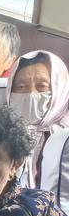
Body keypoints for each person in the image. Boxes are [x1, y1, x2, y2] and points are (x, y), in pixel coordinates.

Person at [7, 50, 69, 186]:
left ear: (60, 91)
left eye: (42, 86)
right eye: (21, 87)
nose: (31, 94)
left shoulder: (66, 139)